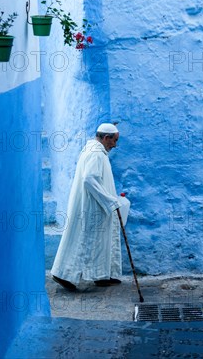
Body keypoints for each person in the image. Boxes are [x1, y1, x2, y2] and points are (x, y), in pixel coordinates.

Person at [51, 123, 122, 290]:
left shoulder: (94, 151)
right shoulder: (96, 154)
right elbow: (89, 179)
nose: (115, 145)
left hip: (95, 204)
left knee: (99, 240)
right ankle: (64, 274)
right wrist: (110, 201)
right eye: (114, 141)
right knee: (84, 241)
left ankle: (101, 275)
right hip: (92, 205)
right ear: (106, 138)